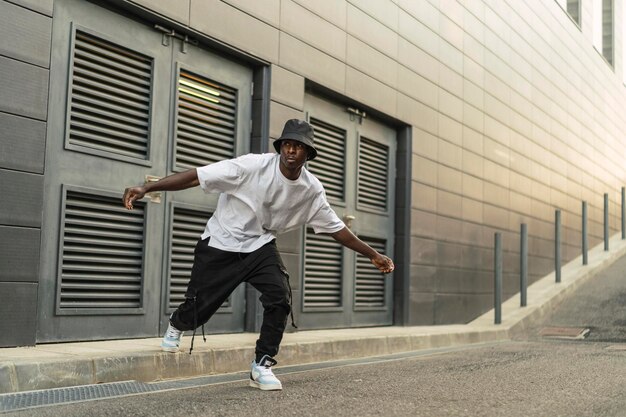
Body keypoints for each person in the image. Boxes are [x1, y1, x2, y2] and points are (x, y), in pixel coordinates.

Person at [122, 119, 394, 391]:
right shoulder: (251, 166)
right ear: (280, 147)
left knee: (279, 298)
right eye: (287, 144)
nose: (290, 151)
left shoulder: (312, 190)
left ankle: (262, 364)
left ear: (308, 154)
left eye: (298, 147)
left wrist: (372, 254)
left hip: (259, 246)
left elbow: (336, 227)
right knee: (199, 309)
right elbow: (197, 175)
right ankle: (177, 324)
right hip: (221, 241)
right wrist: (148, 188)